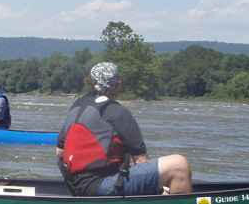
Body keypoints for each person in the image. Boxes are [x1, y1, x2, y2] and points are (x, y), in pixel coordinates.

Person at [56, 62, 192, 196]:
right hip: (101, 186)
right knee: (179, 165)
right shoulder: (117, 112)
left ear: (92, 82)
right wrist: (158, 188)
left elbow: (60, 153)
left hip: (76, 186)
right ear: (116, 84)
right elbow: (140, 161)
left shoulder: (77, 106)